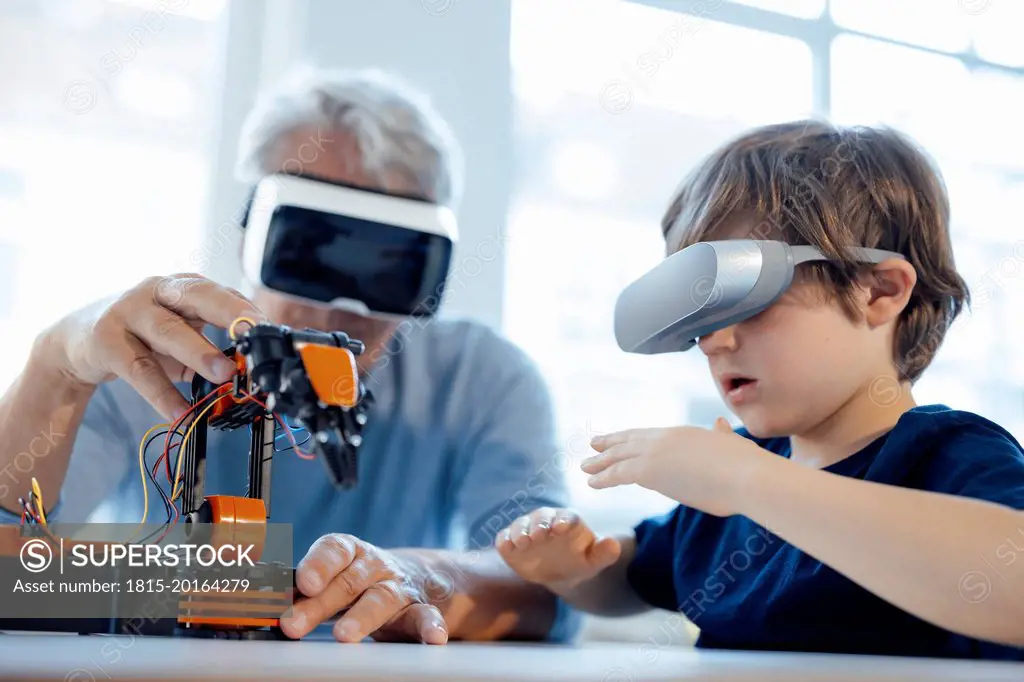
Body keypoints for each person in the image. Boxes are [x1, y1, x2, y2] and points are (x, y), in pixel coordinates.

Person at [0, 68, 576, 644]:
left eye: (383, 269)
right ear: (254, 229)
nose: (335, 313)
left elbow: (553, 586)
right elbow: (9, 569)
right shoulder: (148, 358)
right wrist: (54, 371)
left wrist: (424, 577)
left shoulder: (479, 379)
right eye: (310, 252)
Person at [494, 121, 1024, 660]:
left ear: (879, 292)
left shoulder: (944, 455)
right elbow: (633, 579)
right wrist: (573, 570)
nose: (714, 342)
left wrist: (749, 480)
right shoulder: (732, 484)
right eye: (702, 317)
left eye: (748, 299)